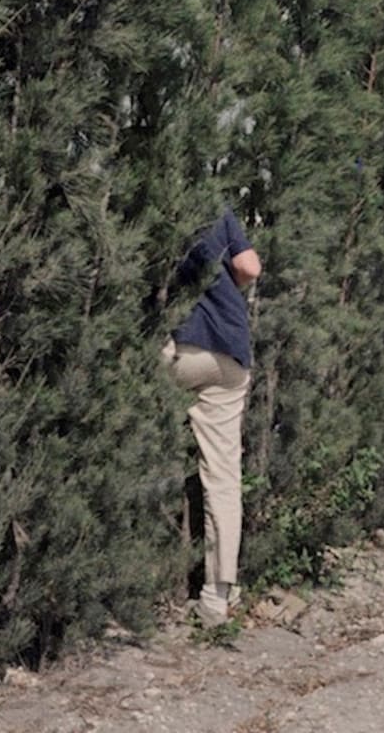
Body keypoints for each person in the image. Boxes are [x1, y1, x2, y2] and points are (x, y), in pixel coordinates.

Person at [161, 207, 261, 626]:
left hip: (181, 347)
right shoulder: (218, 211)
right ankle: (216, 599)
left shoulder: (157, 196)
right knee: (222, 477)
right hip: (231, 354)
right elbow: (249, 267)